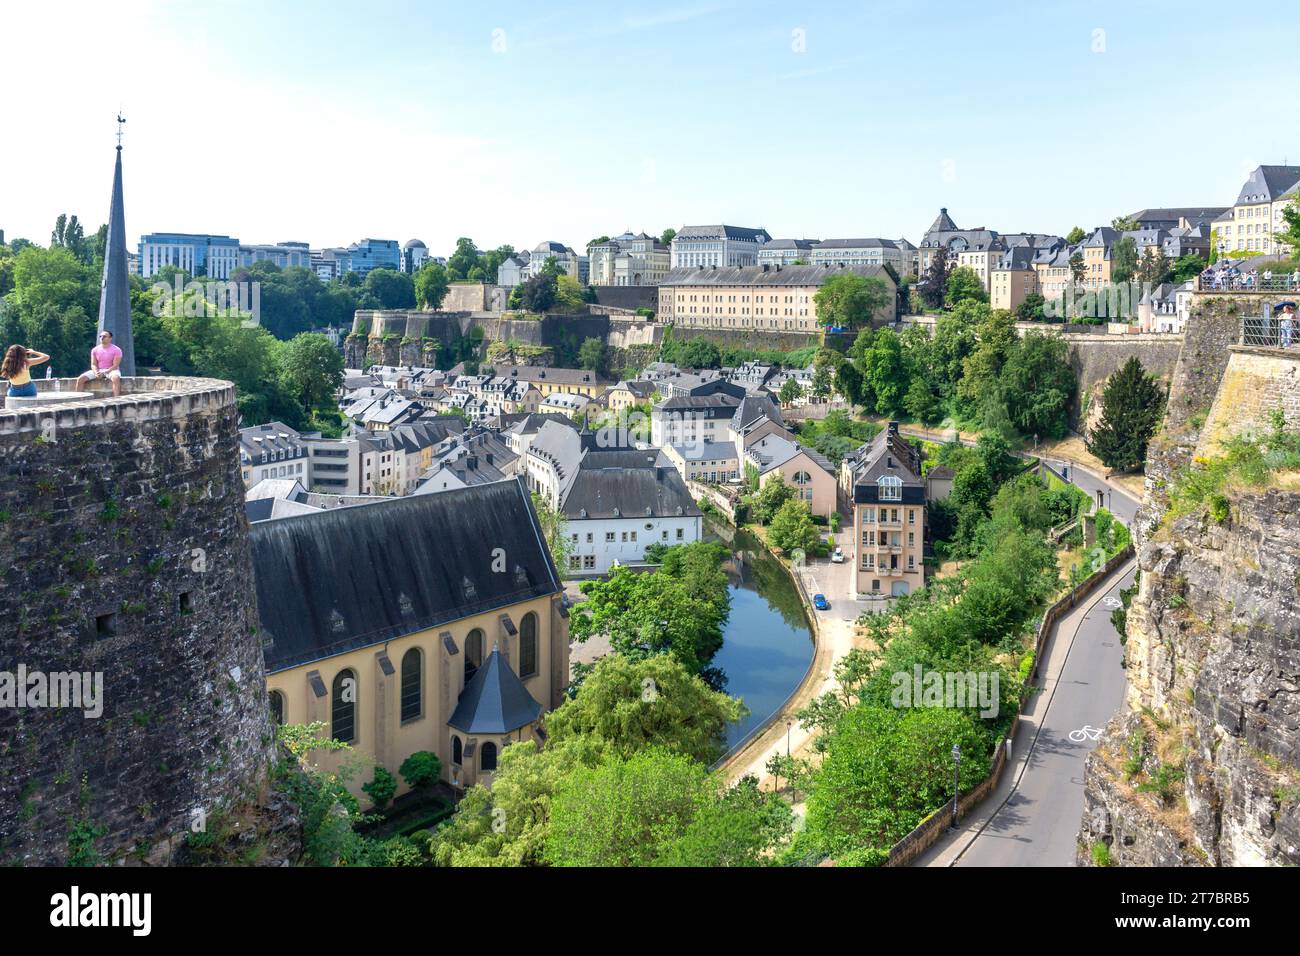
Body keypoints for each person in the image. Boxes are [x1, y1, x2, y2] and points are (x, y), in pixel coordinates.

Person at [76, 329, 124, 397]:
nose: (102, 338)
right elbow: (93, 364)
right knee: (80, 379)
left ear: (110, 338)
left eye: (104, 336)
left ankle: (116, 399)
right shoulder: (95, 350)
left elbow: (115, 365)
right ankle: (78, 398)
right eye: (100, 336)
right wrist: (96, 372)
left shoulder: (117, 350)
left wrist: (105, 373)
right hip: (99, 370)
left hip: (111, 370)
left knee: (116, 378)